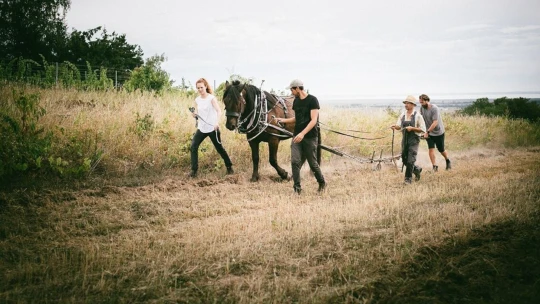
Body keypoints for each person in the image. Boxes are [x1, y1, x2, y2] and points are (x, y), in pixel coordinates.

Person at [275, 79, 326, 194]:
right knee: (295, 161)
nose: (291, 92)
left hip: (310, 137)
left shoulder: (312, 100)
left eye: (292, 89)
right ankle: (297, 189)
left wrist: (303, 134)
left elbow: (314, 120)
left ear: (297, 88)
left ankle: (322, 182)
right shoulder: (296, 101)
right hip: (297, 136)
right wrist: (283, 120)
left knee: (312, 163)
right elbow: (297, 118)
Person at [189, 78, 233, 178]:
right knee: (193, 146)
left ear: (205, 87)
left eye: (201, 87)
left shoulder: (211, 98)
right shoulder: (197, 100)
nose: (200, 89)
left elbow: (219, 111)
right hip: (202, 128)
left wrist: (217, 122)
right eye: (198, 88)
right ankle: (194, 171)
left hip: (213, 128)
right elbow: (196, 113)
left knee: (219, 148)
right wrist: (194, 114)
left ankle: (229, 167)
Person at [391, 95, 426, 184]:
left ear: (413, 104)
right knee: (404, 159)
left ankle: (408, 179)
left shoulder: (418, 116)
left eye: (408, 103)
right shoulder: (402, 115)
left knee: (411, 160)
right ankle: (416, 169)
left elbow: (423, 129)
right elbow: (399, 126)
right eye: (405, 103)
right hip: (405, 139)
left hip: (414, 140)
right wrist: (395, 127)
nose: (406, 105)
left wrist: (412, 128)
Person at [419, 94, 451, 171]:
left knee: (441, 149)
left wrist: (427, 132)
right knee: (431, 149)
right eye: (420, 102)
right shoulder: (422, 108)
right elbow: (421, 119)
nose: (421, 104)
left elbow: (435, 122)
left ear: (427, 101)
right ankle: (435, 166)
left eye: (422, 102)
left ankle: (447, 160)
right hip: (429, 133)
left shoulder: (434, 109)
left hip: (438, 132)